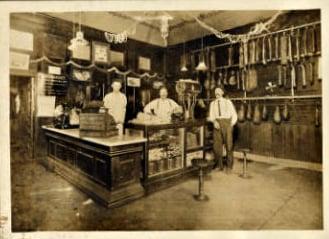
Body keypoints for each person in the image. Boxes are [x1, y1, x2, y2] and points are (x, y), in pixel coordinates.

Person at [208, 86, 237, 173]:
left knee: (229, 145)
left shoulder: (228, 102)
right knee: (217, 146)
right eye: (216, 91)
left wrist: (231, 125)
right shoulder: (212, 103)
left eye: (219, 91)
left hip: (227, 123)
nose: (217, 93)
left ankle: (229, 166)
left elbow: (234, 114)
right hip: (217, 124)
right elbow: (211, 116)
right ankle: (219, 165)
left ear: (222, 93)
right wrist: (214, 122)